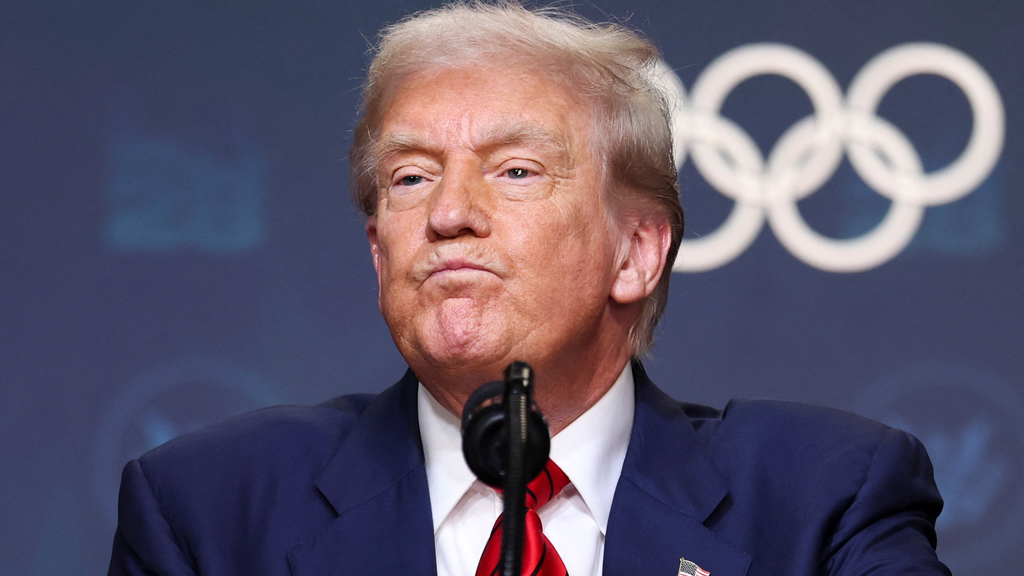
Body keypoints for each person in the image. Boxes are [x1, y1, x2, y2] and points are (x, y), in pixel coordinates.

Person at [108, 2, 951, 575]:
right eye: (410, 178)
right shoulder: (209, 510)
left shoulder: (822, 500)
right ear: (378, 253)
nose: (448, 214)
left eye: (515, 170)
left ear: (636, 253)